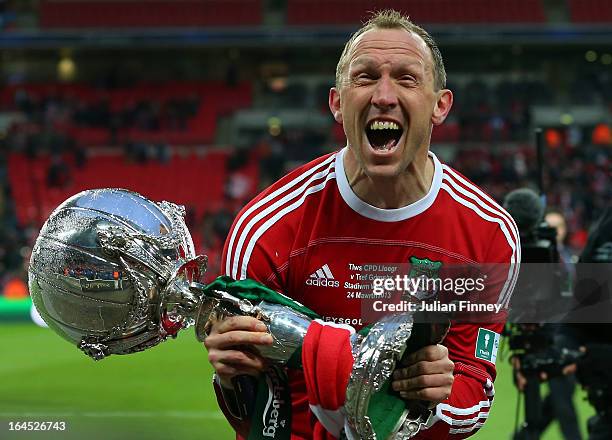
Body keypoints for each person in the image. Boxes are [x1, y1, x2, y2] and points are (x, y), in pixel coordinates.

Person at [204, 9, 520, 439]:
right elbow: (251, 417)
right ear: (337, 102)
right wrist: (232, 377)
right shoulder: (267, 229)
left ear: (439, 105)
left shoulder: (487, 234)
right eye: (366, 77)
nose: (384, 96)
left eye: (407, 79)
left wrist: (437, 397)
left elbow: (474, 393)